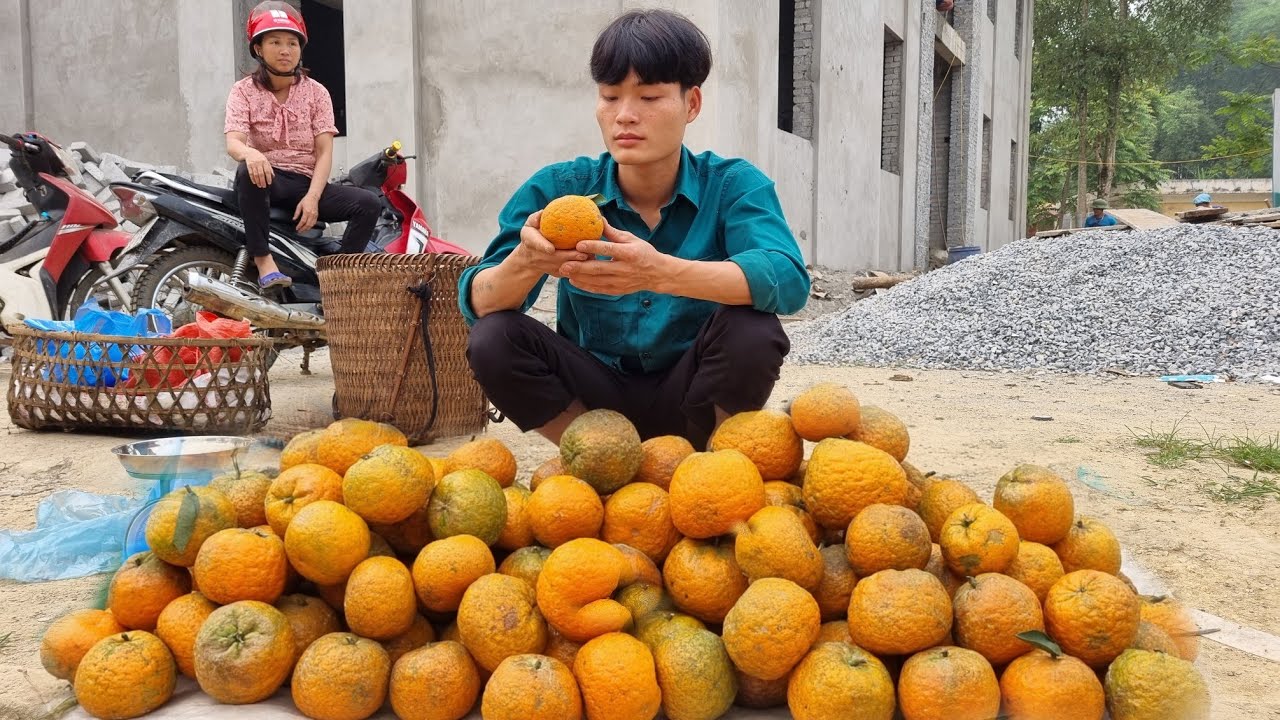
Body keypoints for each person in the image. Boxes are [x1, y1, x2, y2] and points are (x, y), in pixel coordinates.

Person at [459, 9, 810, 449]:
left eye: (649, 98)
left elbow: (787, 279)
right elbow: (479, 301)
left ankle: (714, 464)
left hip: (692, 394)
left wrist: (660, 272)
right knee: (492, 338)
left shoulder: (732, 185)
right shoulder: (560, 190)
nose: (625, 115)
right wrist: (527, 261)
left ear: (692, 104)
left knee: (753, 328)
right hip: (593, 401)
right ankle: (597, 459)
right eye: (610, 97)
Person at [223, 1, 381, 290]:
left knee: (369, 203)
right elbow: (234, 141)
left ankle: (340, 279)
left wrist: (312, 197)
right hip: (266, 179)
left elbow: (324, 152)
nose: (285, 50)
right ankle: (263, 261)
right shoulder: (243, 91)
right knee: (249, 170)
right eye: (275, 42)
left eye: (292, 43)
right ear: (258, 48)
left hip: (306, 183)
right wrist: (250, 153)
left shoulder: (316, 92)